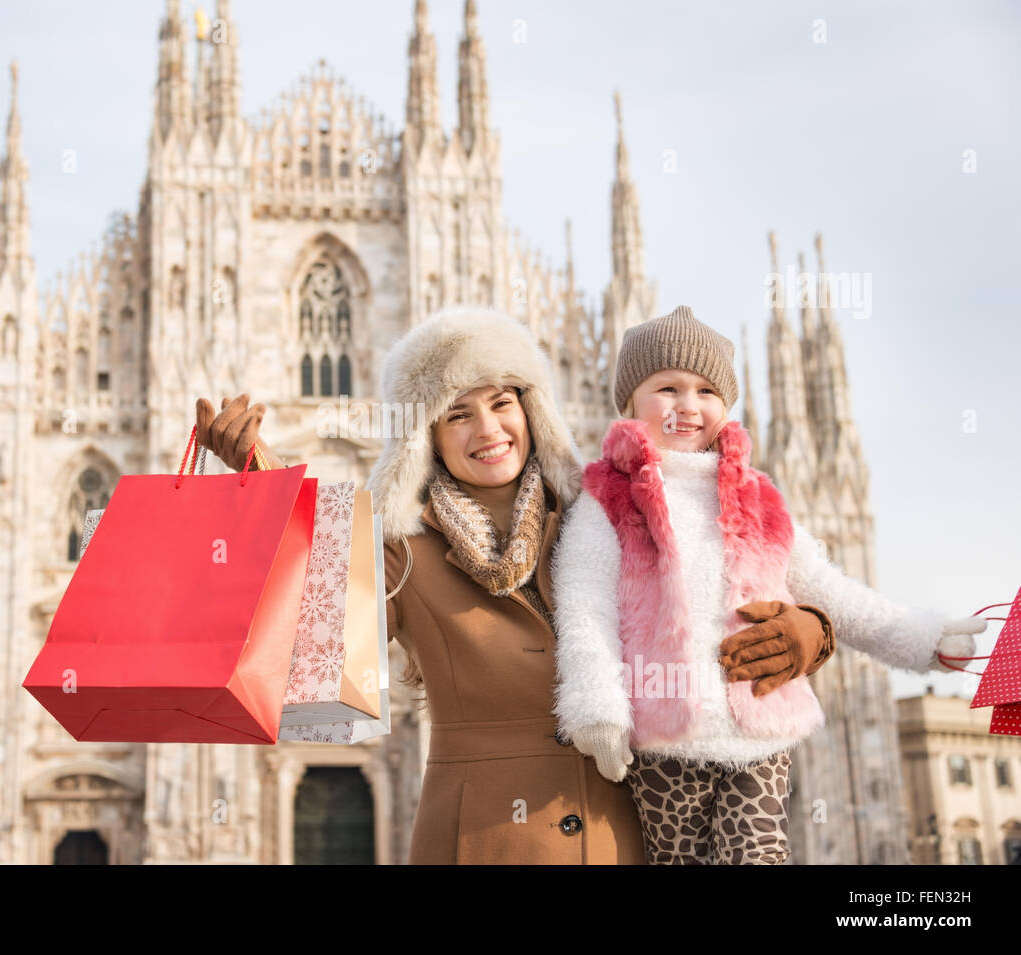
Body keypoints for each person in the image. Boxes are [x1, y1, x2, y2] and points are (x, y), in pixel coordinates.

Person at [195, 305, 835, 864]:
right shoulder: (405, 551)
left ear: (531, 412)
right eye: (457, 414)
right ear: (427, 438)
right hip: (481, 840)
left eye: (502, 403)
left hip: (624, 838)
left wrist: (815, 629)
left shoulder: (608, 520)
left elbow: (727, 575)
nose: (488, 430)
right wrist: (263, 478)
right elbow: (321, 608)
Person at [552, 304, 986, 864]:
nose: (688, 406)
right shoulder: (607, 500)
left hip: (762, 730)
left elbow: (828, 590)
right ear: (630, 399)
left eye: (707, 391)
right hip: (665, 741)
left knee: (759, 854)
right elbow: (585, 609)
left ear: (725, 407)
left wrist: (922, 637)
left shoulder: (754, 496)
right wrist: (596, 706)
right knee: (674, 856)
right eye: (668, 387)